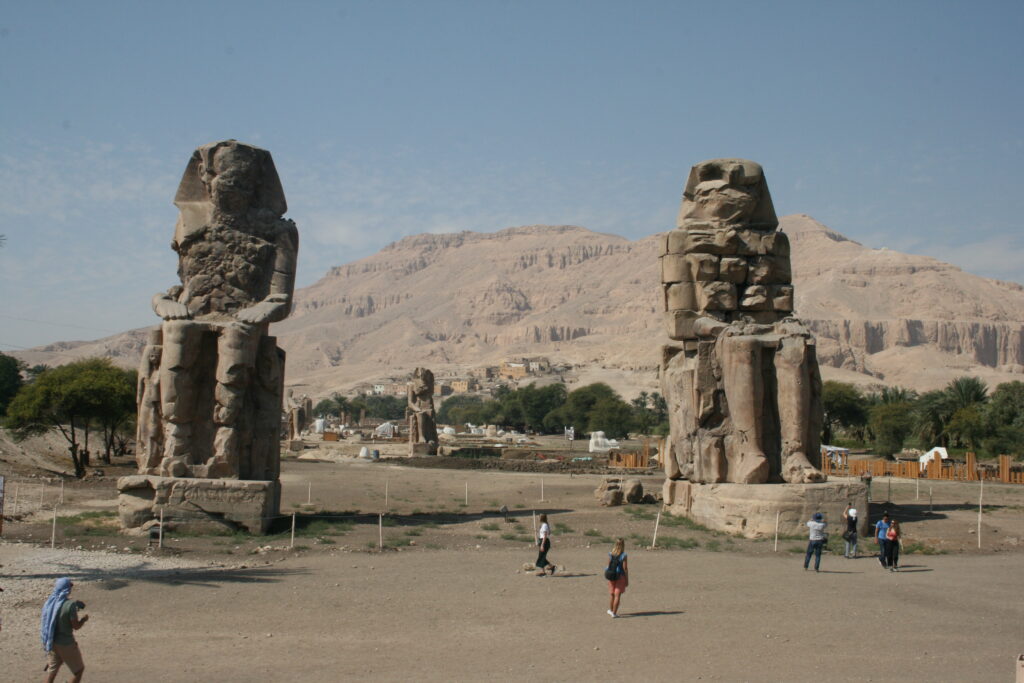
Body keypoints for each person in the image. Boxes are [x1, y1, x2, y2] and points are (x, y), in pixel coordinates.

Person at [41, 577, 88, 683]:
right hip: (66, 643)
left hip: (52, 641)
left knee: (52, 673)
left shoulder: (50, 602)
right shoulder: (70, 605)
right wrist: (84, 620)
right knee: (79, 670)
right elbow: (76, 626)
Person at [606, 538, 629, 617]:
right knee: (617, 595)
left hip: (611, 575)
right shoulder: (624, 555)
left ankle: (611, 610)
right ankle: (614, 613)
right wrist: (627, 580)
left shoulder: (611, 554)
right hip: (620, 576)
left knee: (612, 594)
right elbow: (625, 568)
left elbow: (608, 565)